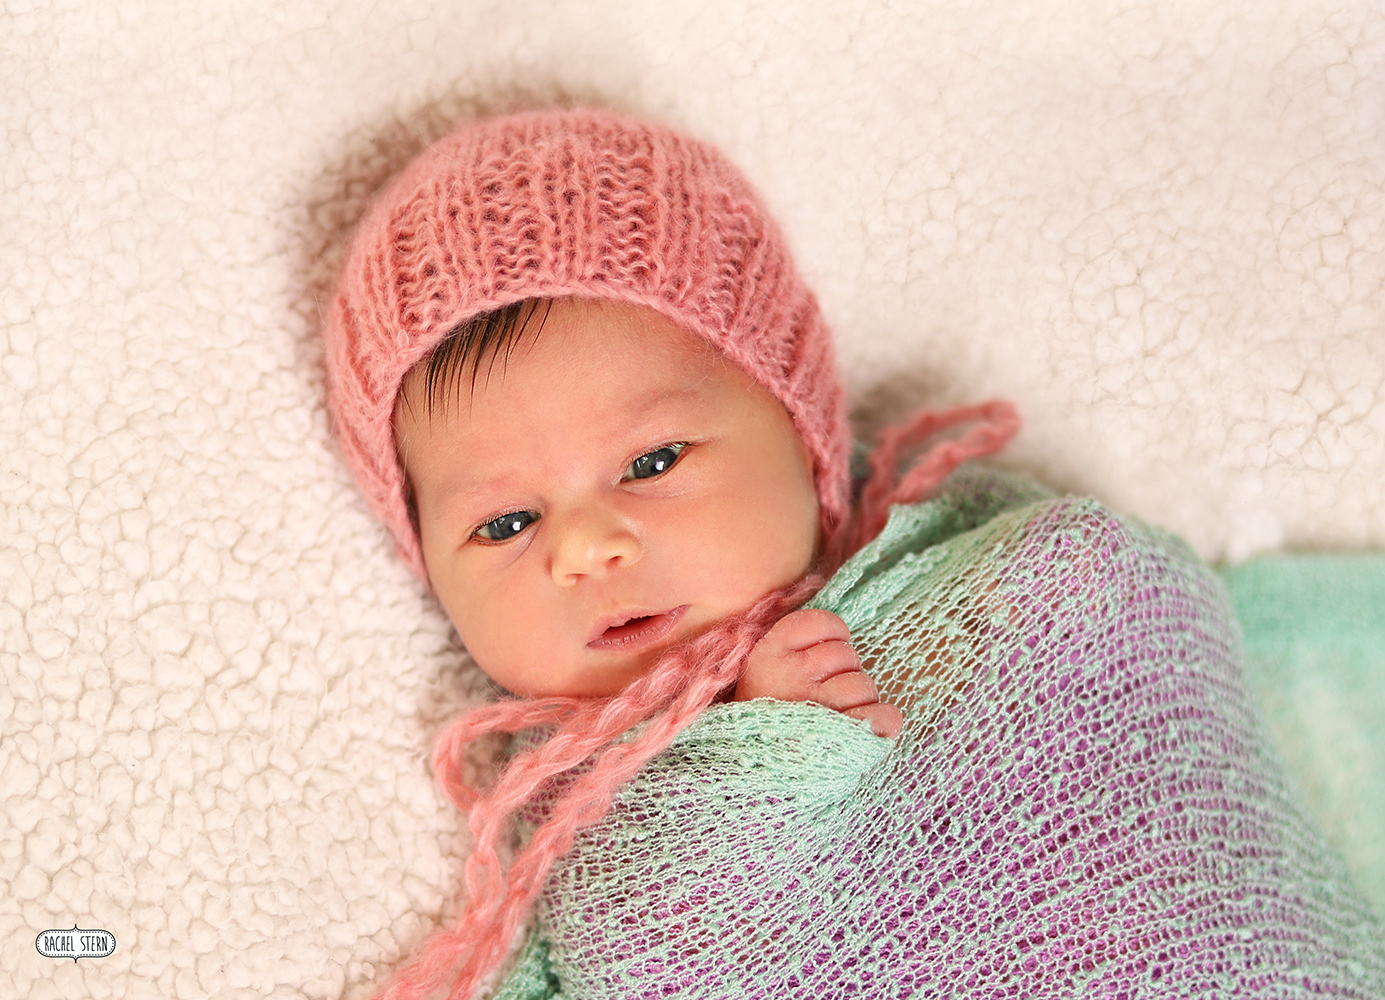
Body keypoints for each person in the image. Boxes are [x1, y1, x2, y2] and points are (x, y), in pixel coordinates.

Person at [324, 108, 1385, 1000]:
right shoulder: (574, 812)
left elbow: (1103, 601)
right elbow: (642, 953)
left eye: (651, 461)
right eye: (505, 525)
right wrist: (756, 755)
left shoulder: (957, 553)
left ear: (803, 438)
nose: (589, 547)